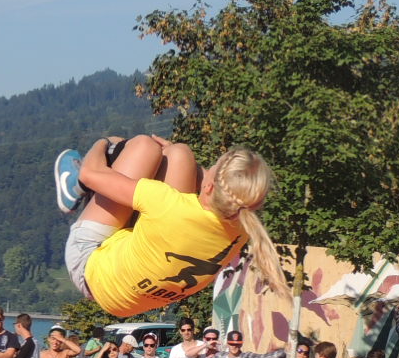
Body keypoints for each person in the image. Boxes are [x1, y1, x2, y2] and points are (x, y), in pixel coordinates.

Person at [61, 135, 284, 319]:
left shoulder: (166, 203)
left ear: (209, 187)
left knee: (143, 147)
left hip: (90, 268)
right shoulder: (244, 229)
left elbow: (89, 174)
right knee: (179, 154)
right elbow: (208, 183)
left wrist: (105, 142)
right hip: (132, 298)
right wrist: (177, 158)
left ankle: (74, 188)